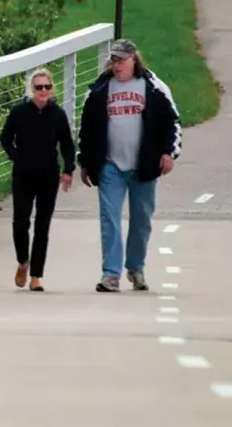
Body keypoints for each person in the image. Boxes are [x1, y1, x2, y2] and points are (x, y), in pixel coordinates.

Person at [77, 39, 182, 293]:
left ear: (134, 59)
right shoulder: (99, 90)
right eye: (114, 60)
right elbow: (86, 129)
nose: (118, 65)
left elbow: (172, 122)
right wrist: (85, 162)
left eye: (122, 60)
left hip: (143, 165)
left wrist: (170, 152)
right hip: (110, 165)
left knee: (141, 220)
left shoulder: (154, 88)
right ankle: (110, 274)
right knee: (109, 219)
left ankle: (135, 267)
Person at [0, 67, 75, 292]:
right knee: (20, 222)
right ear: (32, 89)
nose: (43, 90)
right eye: (39, 87)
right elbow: (5, 139)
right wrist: (16, 157)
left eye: (47, 87)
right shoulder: (19, 112)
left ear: (52, 88)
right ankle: (23, 261)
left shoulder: (58, 114)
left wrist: (67, 170)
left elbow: (67, 145)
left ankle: (36, 276)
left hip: (48, 176)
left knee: (43, 226)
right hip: (23, 175)